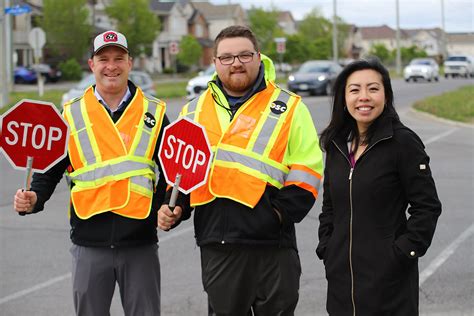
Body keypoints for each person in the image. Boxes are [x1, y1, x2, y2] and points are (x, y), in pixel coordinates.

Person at [157, 25, 324, 315]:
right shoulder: (193, 110)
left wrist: (275, 215)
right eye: (227, 57)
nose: (236, 62)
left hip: (274, 246)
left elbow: (307, 172)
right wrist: (174, 206)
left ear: (259, 57)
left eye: (245, 55)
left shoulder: (289, 107)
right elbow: (181, 172)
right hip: (218, 244)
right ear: (215, 62)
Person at [13, 30, 169, 316]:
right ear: (92, 65)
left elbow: (172, 172)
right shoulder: (70, 114)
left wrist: (164, 208)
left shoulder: (154, 112)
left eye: (119, 58)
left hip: (140, 243)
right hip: (88, 242)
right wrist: (34, 198)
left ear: (130, 63)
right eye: (104, 59)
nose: (112, 65)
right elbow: (48, 170)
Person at [316, 57, 442, 315]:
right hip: (341, 281)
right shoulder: (336, 145)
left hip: (389, 285)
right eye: (355, 90)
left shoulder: (402, 142)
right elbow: (329, 205)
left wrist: (401, 253)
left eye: (373, 89)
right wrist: (327, 247)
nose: (364, 97)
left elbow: (427, 207)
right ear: (343, 97)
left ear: (386, 94)